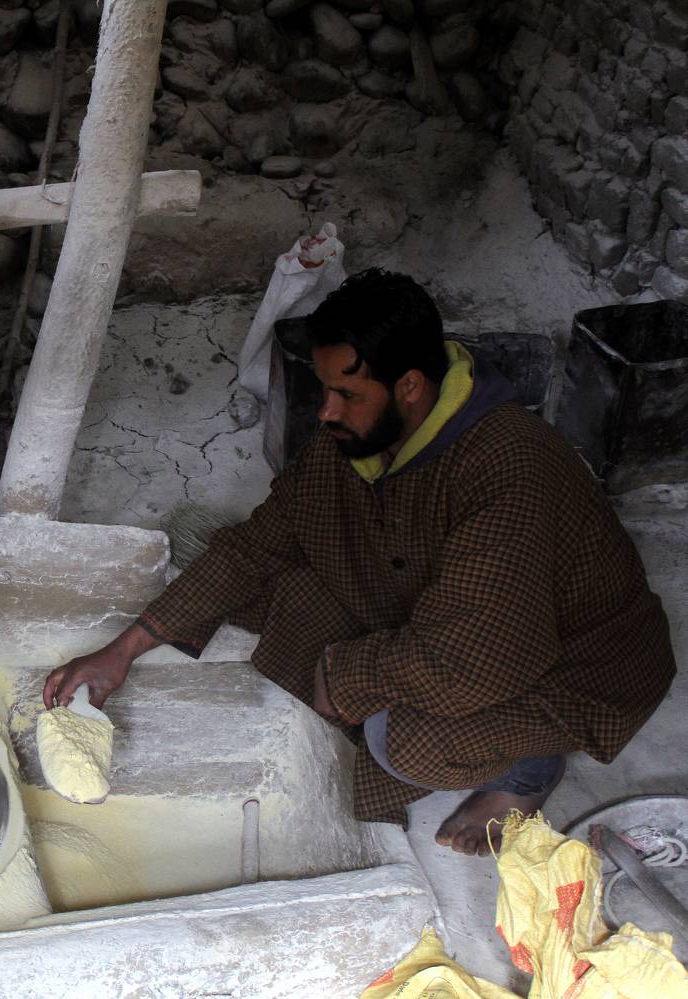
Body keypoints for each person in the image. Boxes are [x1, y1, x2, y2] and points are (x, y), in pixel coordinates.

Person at [43, 268, 676, 855]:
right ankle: (385, 684)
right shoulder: (358, 440)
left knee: (407, 741)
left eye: (347, 393)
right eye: (325, 390)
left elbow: (472, 660)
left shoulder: (510, 469)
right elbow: (256, 545)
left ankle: (529, 770)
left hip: (565, 665)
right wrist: (123, 649)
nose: (326, 411)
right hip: (446, 613)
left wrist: (349, 675)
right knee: (278, 589)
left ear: (410, 386)